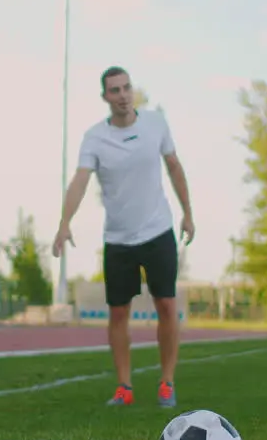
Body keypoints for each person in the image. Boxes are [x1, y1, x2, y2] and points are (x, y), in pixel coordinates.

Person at [52, 66, 194, 408]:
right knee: (118, 314)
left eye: (127, 87)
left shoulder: (155, 123)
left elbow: (174, 166)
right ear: (105, 97)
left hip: (158, 231)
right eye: (114, 90)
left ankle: (167, 383)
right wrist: (64, 222)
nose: (123, 95)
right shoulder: (94, 138)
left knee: (166, 305)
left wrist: (188, 212)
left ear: (133, 91)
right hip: (118, 238)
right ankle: (124, 388)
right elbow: (80, 180)